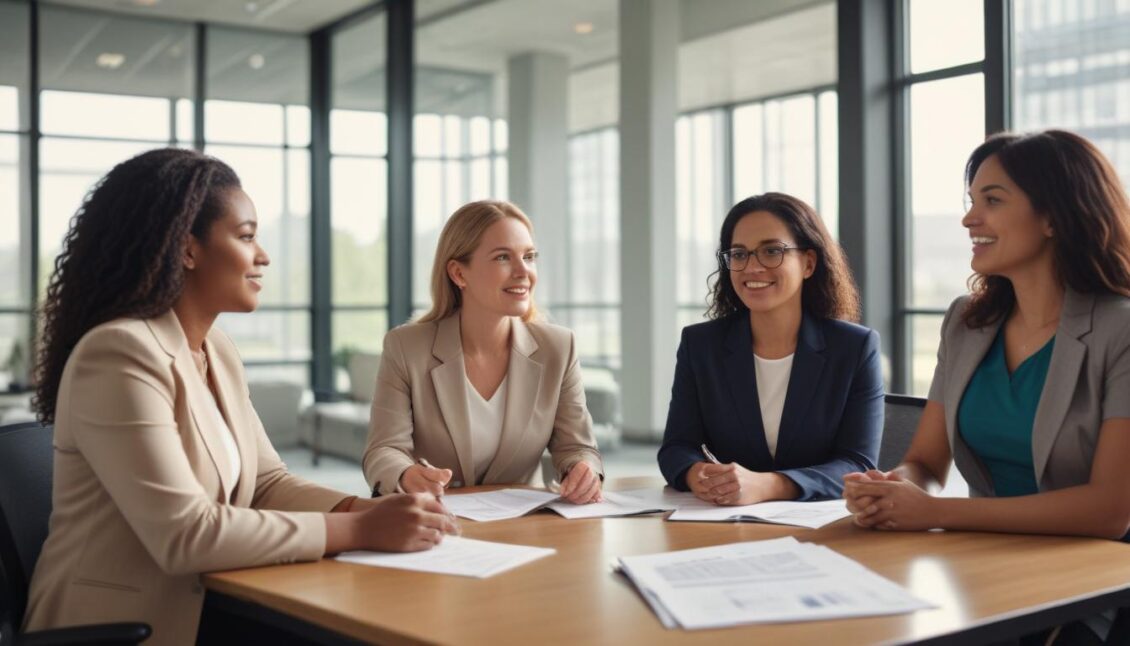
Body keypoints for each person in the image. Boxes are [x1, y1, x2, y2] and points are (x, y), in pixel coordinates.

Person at [23, 149, 457, 645]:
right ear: (187, 249)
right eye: (247, 236)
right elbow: (186, 535)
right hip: (120, 626)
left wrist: (367, 511)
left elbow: (267, 484)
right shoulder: (119, 353)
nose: (263, 255)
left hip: (215, 602)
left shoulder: (216, 349)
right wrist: (362, 531)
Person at [844, 130, 1130, 547]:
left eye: (992, 201)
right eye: (972, 201)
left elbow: (1109, 512)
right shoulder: (965, 320)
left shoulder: (1119, 330)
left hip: (1095, 579)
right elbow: (925, 462)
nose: (968, 219)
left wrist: (936, 513)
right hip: (983, 558)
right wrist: (892, 488)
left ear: (1053, 216)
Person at [362, 200, 603, 503]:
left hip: (523, 524)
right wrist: (404, 475)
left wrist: (584, 471)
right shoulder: (406, 347)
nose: (523, 272)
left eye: (529, 257)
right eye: (503, 257)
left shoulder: (559, 347)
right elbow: (383, 449)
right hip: (433, 521)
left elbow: (577, 447)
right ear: (459, 274)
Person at [658, 192, 883, 504]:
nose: (752, 267)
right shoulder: (701, 345)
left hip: (823, 529)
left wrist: (770, 486)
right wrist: (698, 474)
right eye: (739, 254)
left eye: (772, 251)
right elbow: (677, 447)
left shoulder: (855, 348)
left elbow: (857, 463)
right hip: (723, 524)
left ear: (808, 262)